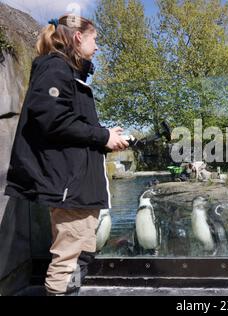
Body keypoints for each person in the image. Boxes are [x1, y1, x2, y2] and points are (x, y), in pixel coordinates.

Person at [4, 14, 129, 295]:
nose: (97, 47)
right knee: (66, 259)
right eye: (95, 39)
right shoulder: (55, 69)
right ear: (78, 37)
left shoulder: (67, 74)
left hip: (75, 185)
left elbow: (68, 124)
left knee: (78, 253)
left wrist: (106, 134)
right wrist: (102, 136)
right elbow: (50, 118)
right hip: (69, 186)